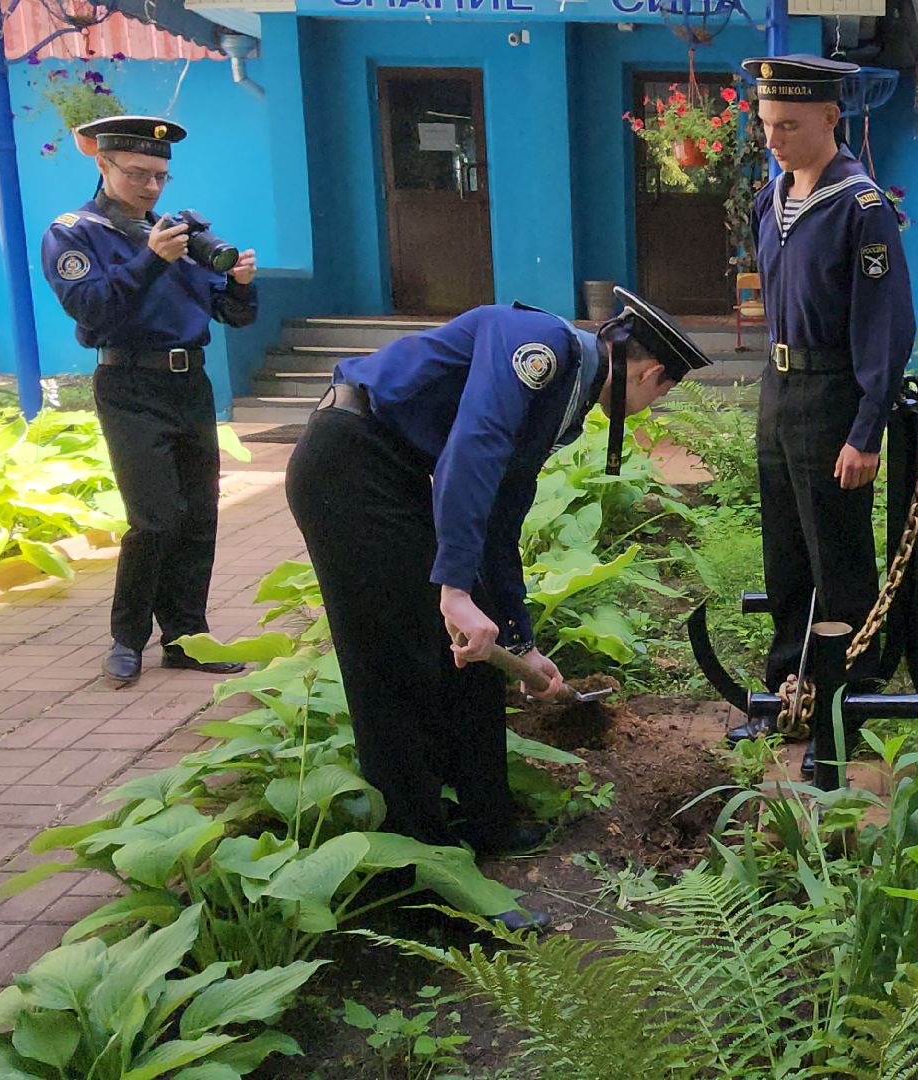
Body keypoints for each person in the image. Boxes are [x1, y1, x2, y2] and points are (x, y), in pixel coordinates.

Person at [284, 289, 711, 857]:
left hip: (396, 476)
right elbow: (474, 447)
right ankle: (419, 866)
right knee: (395, 668)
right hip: (349, 466)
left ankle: (487, 825)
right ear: (651, 374)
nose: (651, 406)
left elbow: (500, 516)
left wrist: (520, 641)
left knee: (472, 662)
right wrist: (454, 588)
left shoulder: (565, 394)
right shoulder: (542, 348)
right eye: (660, 394)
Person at [734, 54, 916, 775]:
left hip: (835, 399)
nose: (772, 138)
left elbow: (885, 325)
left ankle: (846, 707)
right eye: (765, 124)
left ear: (830, 119)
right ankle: (792, 689)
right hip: (780, 397)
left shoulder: (860, 207)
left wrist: (866, 426)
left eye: (787, 125)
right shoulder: (770, 197)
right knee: (786, 556)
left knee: (837, 559)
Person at [41, 115, 259, 688]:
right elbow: (91, 309)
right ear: (102, 164)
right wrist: (150, 260)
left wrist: (239, 281)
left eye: (161, 176)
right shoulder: (74, 233)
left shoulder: (179, 234)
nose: (151, 188)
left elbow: (234, 315)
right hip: (130, 386)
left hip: (190, 385)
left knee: (198, 517)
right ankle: (127, 638)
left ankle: (186, 639)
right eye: (138, 174)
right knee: (154, 519)